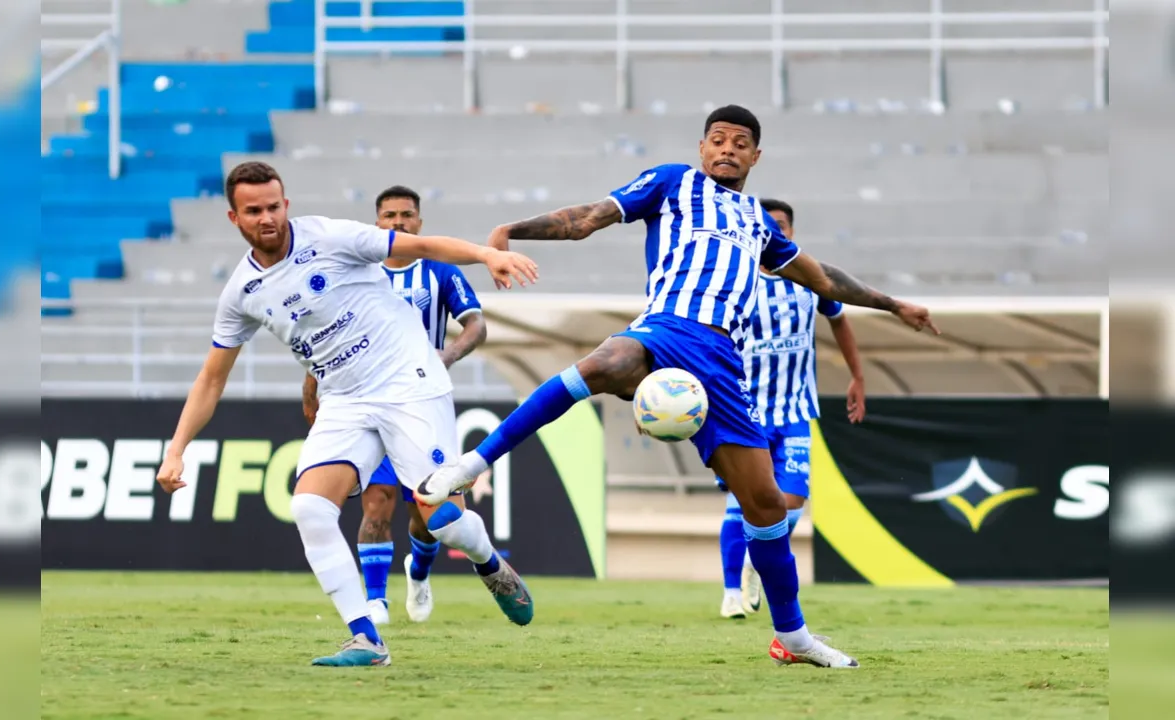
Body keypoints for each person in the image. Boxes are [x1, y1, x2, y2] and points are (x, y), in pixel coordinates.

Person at [417, 105, 940, 669]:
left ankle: (793, 638)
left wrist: (892, 304)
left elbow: (821, 278)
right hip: (665, 330)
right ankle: (471, 465)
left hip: (721, 364)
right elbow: (591, 216)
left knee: (765, 507)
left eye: (740, 143)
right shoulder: (672, 183)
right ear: (701, 147)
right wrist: (510, 232)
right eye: (718, 140)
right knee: (606, 359)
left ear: (755, 157)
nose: (728, 149)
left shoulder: (758, 225)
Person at [154, 161, 536, 668]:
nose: (266, 218)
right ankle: (367, 639)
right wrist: (176, 449)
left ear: (285, 204)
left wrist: (486, 254)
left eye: (273, 206)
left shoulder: (331, 237)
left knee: (439, 518)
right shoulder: (241, 292)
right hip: (345, 401)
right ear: (234, 218)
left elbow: (420, 247)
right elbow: (212, 378)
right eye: (254, 211)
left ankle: (489, 561)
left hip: (409, 382)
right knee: (310, 509)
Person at [302, 185, 488, 626]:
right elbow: (330, 335)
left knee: (428, 515)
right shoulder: (356, 272)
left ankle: (419, 572)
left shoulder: (439, 272)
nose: (397, 222)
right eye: (389, 215)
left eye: (406, 215)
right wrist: (311, 388)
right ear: (376, 222)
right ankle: (375, 601)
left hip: (420, 404)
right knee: (376, 502)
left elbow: (476, 325)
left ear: (419, 223)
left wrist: (448, 354)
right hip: (365, 401)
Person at [718, 198, 867, 620]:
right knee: (740, 503)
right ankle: (732, 591)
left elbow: (839, 317)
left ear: (791, 232)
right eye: (768, 227)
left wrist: (858, 375)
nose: (775, 233)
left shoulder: (808, 279)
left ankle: (753, 561)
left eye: (781, 227)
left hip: (796, 409)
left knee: (793, 501)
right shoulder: (733, 277)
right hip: (743, 410)